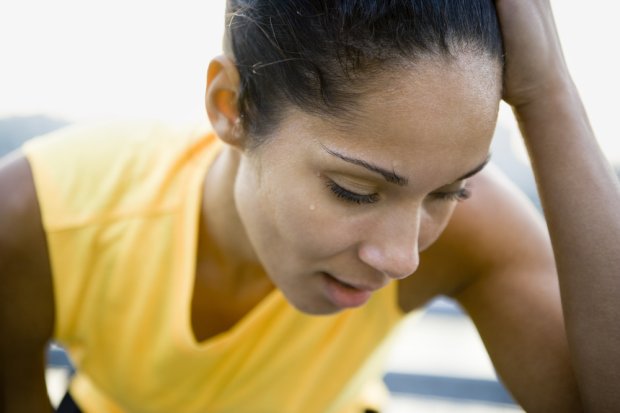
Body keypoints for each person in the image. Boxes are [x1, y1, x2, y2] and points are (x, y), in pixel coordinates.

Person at [1, 0, 619, 411]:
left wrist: (549, 95)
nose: (403, 257)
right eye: (354, 190)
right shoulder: (39, 216)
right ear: (231, 105)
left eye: (447, 192)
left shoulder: (472, 233)